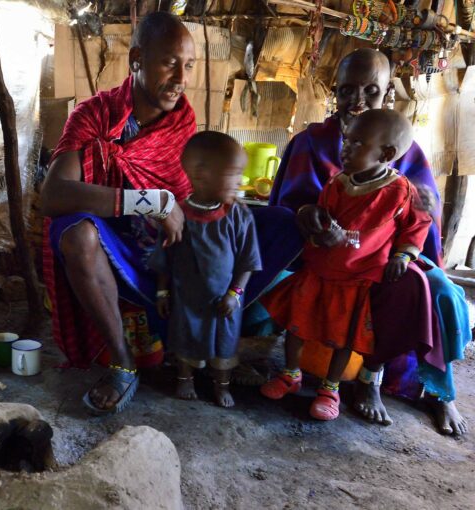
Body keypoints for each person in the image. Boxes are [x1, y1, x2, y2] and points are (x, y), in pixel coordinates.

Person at [247, 48, 470, 434]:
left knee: (441, 294)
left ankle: (419, 389)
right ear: (335, 90)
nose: (358, 100)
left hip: (384, 261)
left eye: (371, 90)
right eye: (347, 89)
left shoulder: (405, 149)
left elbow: (422, 220)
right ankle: (292, 370)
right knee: (260, 303)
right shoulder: (311, 141)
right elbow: (283, 206)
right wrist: (304, 216)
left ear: (387, 93)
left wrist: (402, 253)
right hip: (314, 255)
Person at [41, 12, 197, 414]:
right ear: (137, 59)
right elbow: (53, 196)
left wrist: (174, 208)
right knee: (74, 232)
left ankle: (205, 354)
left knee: (260, 231)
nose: (181, 78)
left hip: (158, 247)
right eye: (169, 62)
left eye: (189, 65)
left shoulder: (182, 121)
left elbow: (185, 196)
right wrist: (151, 201)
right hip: (106, 248)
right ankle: (122, 360)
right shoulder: (94, 116)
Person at [260, 109, 433, 420]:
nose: (346, 148)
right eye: (347, 140)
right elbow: (324, 216)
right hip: (321, 269)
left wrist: (402, 255)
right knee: (296, 324)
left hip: (357, 278)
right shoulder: (338, 182)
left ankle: (330, 388)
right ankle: (291, 374)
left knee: (343, 337)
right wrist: (322, 231)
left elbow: (416, 226)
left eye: (357, 144)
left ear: (387, 153)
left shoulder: (401, 191)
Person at [149, 132, 261, 407]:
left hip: (224, 300)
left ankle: (221, 385)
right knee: (186, 340)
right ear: (201, 175)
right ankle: (185, 379)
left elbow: (248, 260)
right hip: (186, 299)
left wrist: (235, 293)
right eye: (234, 174)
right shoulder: (178, 214)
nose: (241, 182)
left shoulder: (239, 214)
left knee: (224, 344)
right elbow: (164, 256)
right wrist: (163, 292)